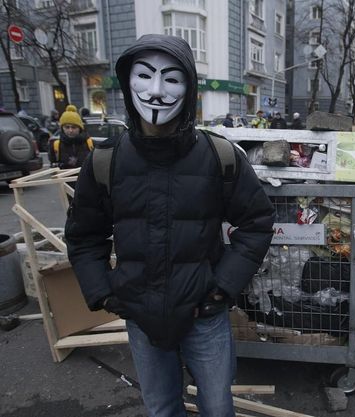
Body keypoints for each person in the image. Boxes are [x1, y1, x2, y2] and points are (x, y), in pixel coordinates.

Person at [64, 34, 275, 417]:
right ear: (128, 85)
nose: (157, 91)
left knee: (216, 407)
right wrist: (106, 292)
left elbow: (257, 223)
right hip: (141, 317)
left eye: (172, 79)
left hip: (205, 317)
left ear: (190, 87)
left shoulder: (220, 157)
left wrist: (220, 288)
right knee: (161, 408)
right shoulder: (104, 163)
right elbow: (83, 236)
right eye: (144, 76)